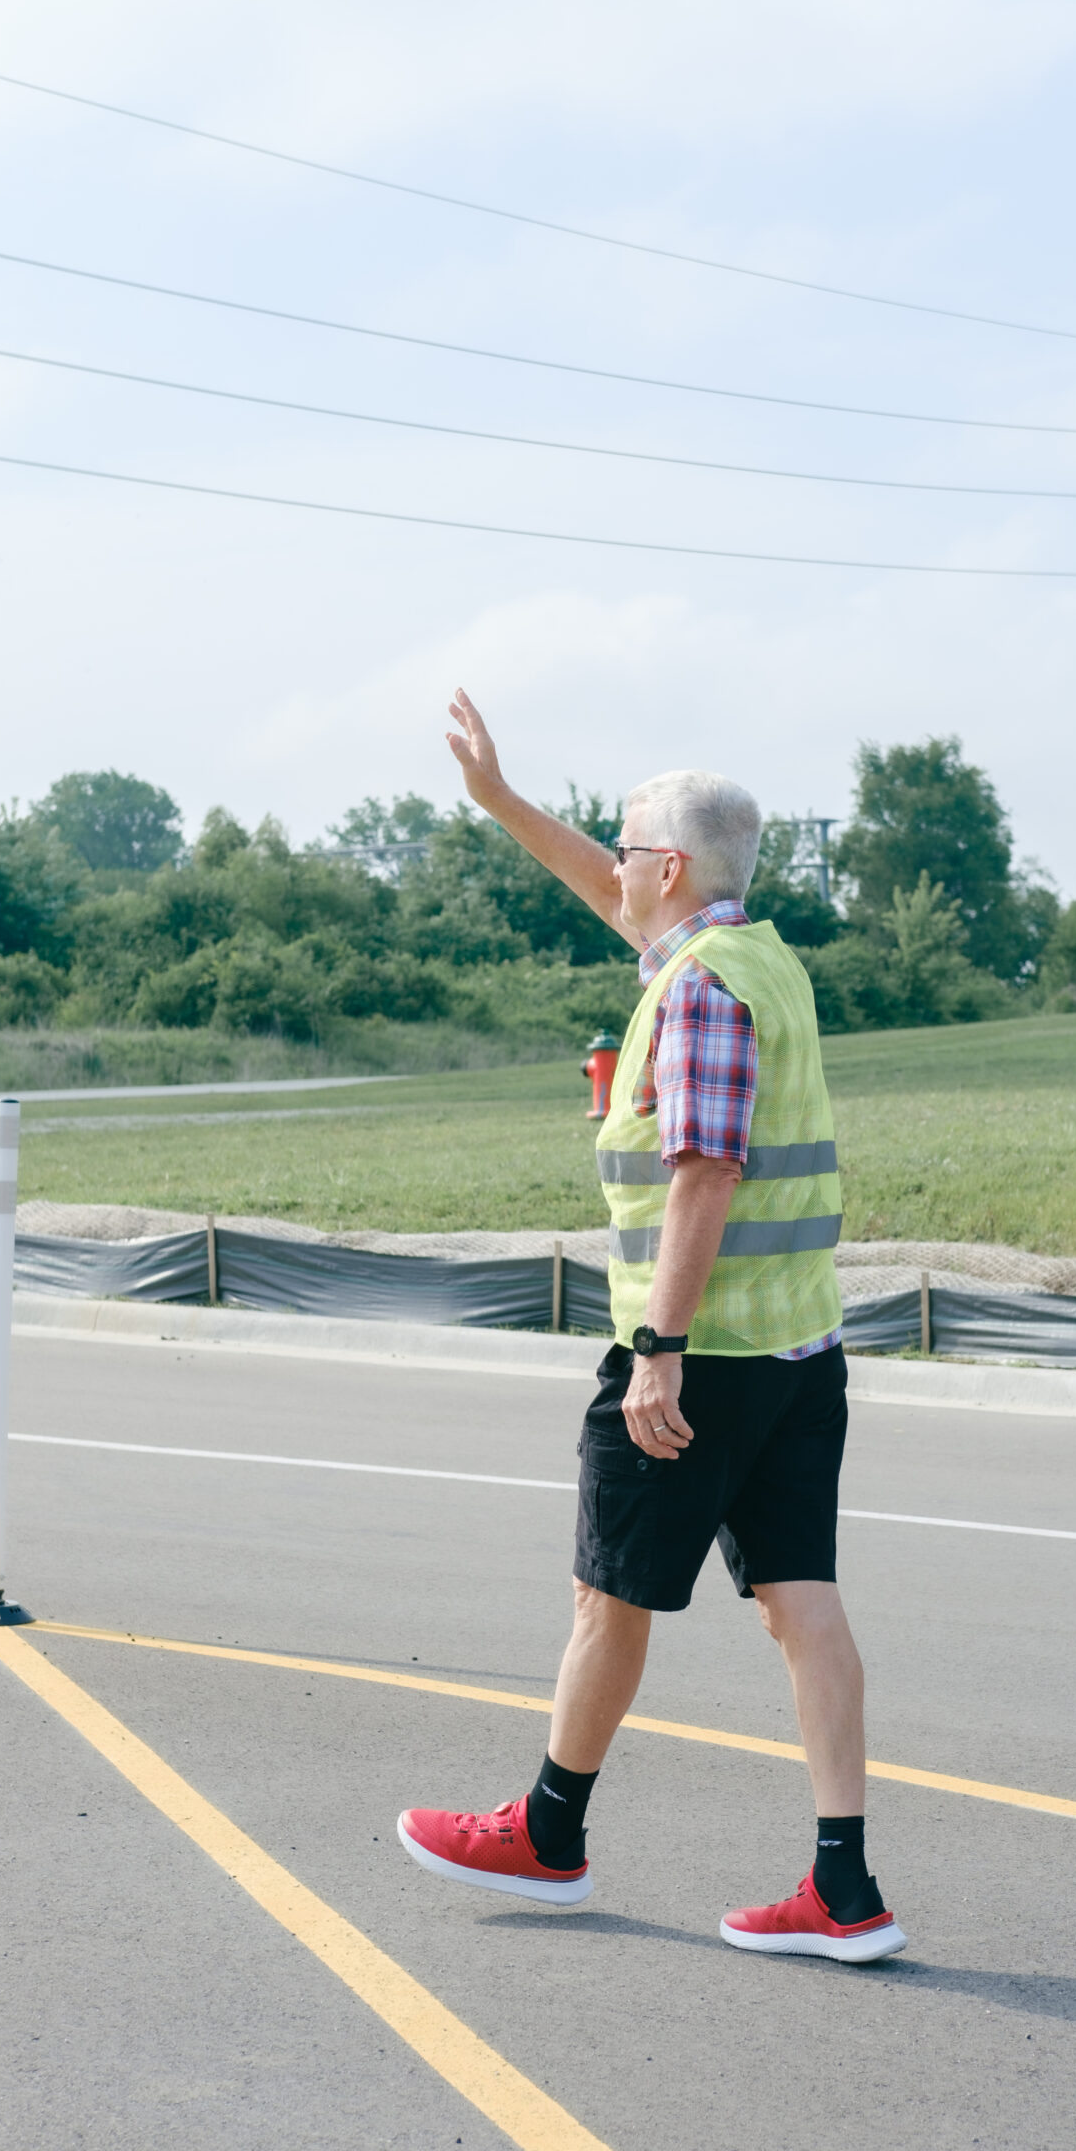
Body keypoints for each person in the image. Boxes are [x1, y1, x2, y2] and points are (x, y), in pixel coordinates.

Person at [398, 690, 906, 1964]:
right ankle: (844, 1889)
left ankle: (549, 1837)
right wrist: (504, 804)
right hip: (800, 1352)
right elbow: (613, 897)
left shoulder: (693, 995)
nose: (612, 867)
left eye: (627, 850)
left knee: (605, 1594)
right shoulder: (754, 959)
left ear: (669, 868)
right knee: (804, 1605)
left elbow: (704, 1174)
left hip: (707, 1355)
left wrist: (656, 1350)